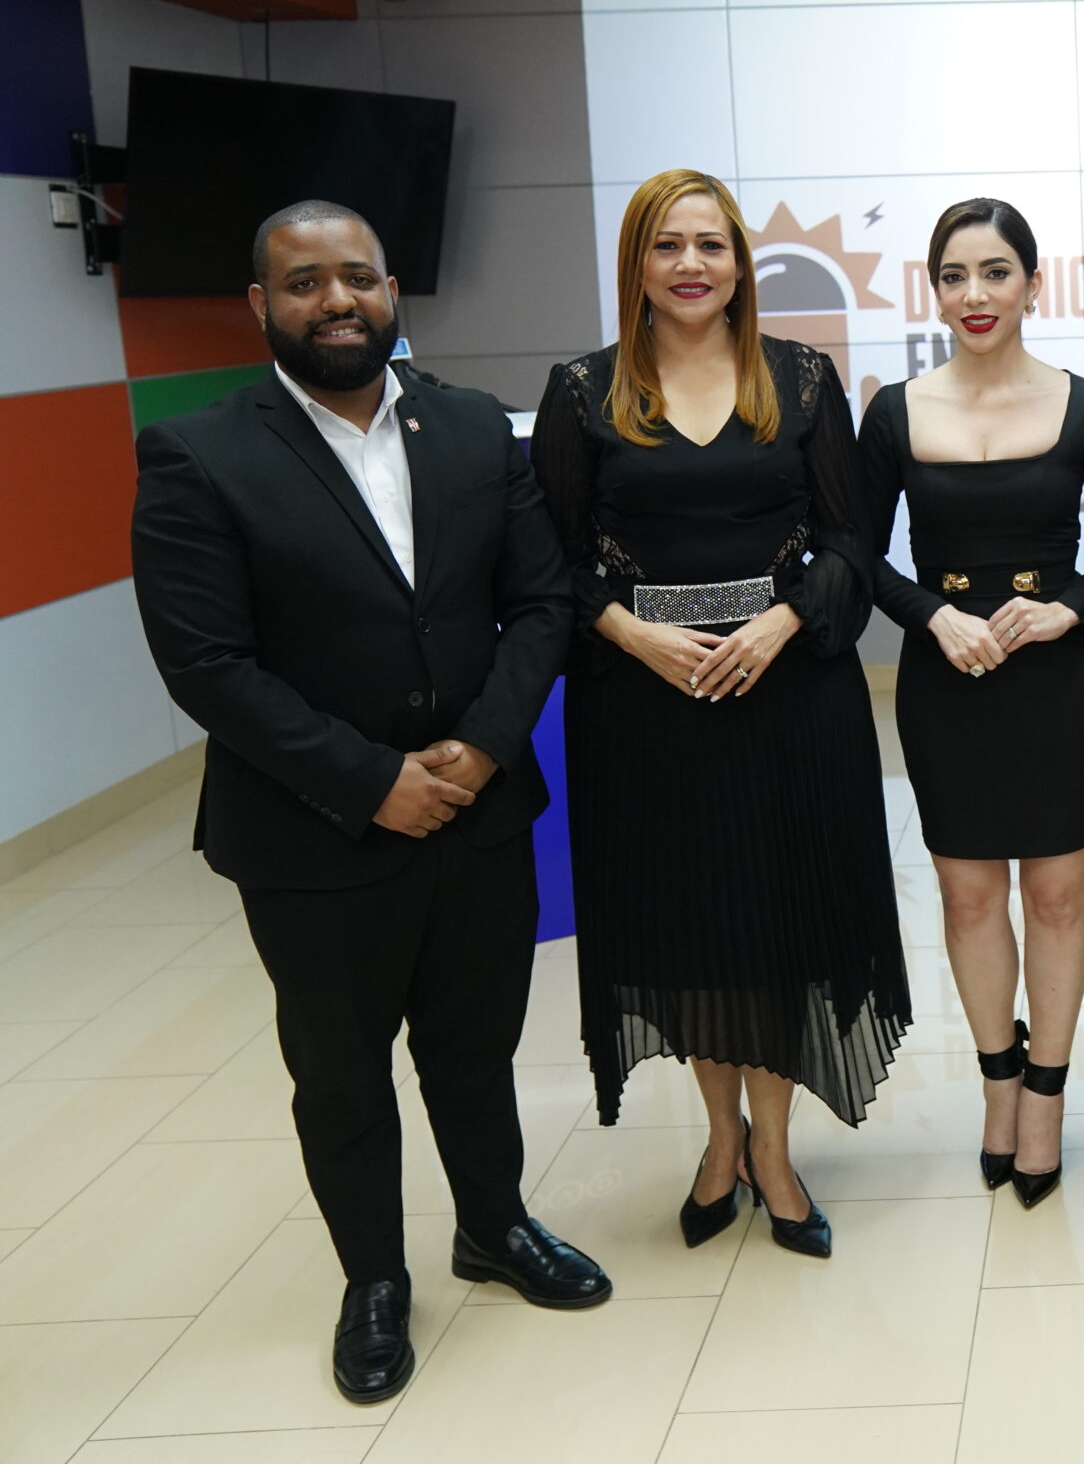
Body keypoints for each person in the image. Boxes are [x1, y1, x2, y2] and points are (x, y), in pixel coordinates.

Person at [131, 201, 610, 1406]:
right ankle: (376, 1281)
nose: (335, 300)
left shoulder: (470, 427)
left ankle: (493, 1228)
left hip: (480, 812)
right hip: (310, 833)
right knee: (341, 1074)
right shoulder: (197, 454)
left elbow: (540, 604)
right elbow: (205, 664)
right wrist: (371, 780)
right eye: (304, 283)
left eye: (357, 277)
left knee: (475, 1047)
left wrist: (482, 749)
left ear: (393, 292)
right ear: (262, 306)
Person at [532, 168, 909, 1262]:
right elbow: (550, 560)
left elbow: (850, 539)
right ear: (636, 265)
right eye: (667, 245)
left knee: (781, 926)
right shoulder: (582, 392)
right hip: (646, 712)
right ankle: (720, 1138)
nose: (691, 264)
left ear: (741, 264)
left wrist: (783, 622)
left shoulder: (800, 377)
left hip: (788, 697)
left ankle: (774, 1151)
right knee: (693, 931)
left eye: (711, 244)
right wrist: (633, 635)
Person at [856, 198, 1084, 1210]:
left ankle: (1045, 1098)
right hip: (948, 681)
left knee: (1057, 896)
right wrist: (931, 615)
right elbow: (853, 553)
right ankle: (997, 1087)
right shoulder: (895, 412)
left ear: (1031, 284)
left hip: (1060, 681)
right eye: (955, 275)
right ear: (934, 290)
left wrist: (1069, 609)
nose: (976, 294)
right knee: (968, 896)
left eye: (997, 272)